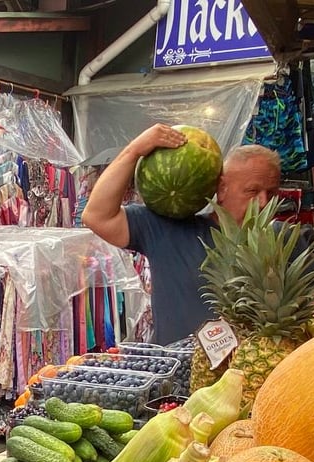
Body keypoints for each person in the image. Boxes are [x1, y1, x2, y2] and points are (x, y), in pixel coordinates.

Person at [82, 124, 282, 344]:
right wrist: (134, 151)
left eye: (271, 192)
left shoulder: (282, 240)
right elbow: (97, 216)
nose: (263, 202)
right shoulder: (169, 227)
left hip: (258, 364)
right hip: (174, 364)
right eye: (252, 191)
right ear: (221, 188)